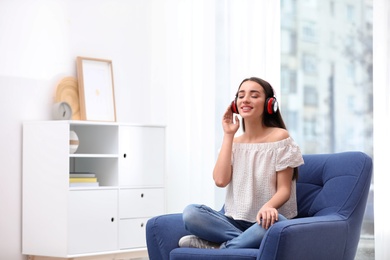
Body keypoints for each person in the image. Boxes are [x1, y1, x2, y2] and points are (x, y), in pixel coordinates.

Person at [178, 77, 304, 249]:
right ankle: (241, 243)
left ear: (269, 104)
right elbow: (220, 181)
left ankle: (220, 248)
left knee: (275, 225)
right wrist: (228, 134)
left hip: (267, 220)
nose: (245, 99)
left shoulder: (280, 137)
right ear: (235, 104)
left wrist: (268, 207)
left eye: (254, 95)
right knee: (191, 213)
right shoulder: (233, 142)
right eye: (241, 95)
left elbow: (284, 190)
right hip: (233, 221)